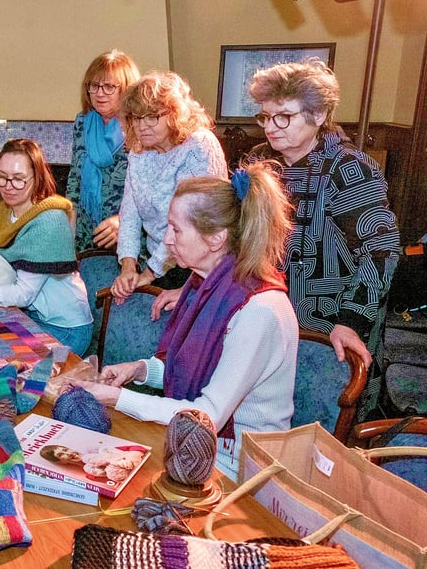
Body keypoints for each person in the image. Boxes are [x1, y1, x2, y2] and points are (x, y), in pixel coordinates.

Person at [68, 162, 299, 477]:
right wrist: (139, 370)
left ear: (215, 239)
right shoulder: (204, 286)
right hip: (200, 447)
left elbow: (208, 415)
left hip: (240, 469)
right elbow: (186, 368)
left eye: (176, 229)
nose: (166, 240)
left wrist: (119, 398)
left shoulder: (259, 310)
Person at [246, 59, 399, 370]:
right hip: (267, 313)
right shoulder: (260, 159)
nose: (271, 127)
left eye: (284, 117)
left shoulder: (348, 168)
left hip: (330, 326)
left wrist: (351, 321)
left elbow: (382, 252)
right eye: (266, 116)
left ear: (318, 114)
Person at [0, 139, 93, 354]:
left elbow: (23, 295)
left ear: (36, 177)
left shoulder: (50, 220)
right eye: (2, 177)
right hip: (26, 315)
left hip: (64, 328)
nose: (9, 187)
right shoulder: (5, 211)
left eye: (19, 179)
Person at [112, 71, 227, 302]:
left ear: (174, 114)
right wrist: (127, 267)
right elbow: (130, 215)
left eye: (152, 116)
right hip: (158, 263)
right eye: (136, 117)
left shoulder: (198, 145)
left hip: (198, 268)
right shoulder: (139, 152)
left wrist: (149, 273)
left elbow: (187, 220)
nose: (142, 125)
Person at [66, 49, 140, 253]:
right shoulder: (83, 122)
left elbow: (148, 191)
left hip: (128, 233)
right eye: (94, 86)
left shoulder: (141, 128)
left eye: (109, 87)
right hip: (85, 230)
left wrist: (123, 221)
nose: (99, 93)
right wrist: (68, 232)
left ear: (126, 89)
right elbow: (74, 177)